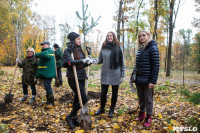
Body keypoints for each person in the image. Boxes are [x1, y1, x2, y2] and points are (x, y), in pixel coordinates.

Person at [130, 30, 159, 127]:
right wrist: (133, 76)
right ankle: (142, 114)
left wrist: (152, 81)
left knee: (148, 99)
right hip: (139, 79)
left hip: (148, 80)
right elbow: (137, 65)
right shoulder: (140, 48)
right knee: (141, 98)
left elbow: (156, 66)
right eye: (140, 36)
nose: (141, 37)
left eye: (144, 35)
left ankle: (149, 117)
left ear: (148, 36)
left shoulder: (153, 47)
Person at [63, 32, 91, 129]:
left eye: (80, 39)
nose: (80, 40)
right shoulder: (68, 51)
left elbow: (82, 65)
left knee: (77, 99)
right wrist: (83, 61)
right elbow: (69, 62)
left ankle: (74, 117)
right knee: (83, 99)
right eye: (78, 39)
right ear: (73, 40)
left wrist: (88, 62)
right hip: (73, 78)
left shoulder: (80, 51)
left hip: (81, 77)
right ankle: (70, 116)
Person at [95, 31, 125, 118]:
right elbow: (100, 59)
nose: (109, 37)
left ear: (114, 37)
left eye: (111, 35)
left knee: (114, 93)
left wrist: (122, 74)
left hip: (115, 73)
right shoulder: (103, 47)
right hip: (105, 73)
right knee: (103, 93)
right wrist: (93, 60)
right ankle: (102, 109)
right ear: (106, 37)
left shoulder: (119, 47)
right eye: (108, 36)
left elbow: (122, 62)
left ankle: (111, 110)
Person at [35, 41, 56, 106]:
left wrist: (35, 54)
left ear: (48, 45)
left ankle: (51, 101)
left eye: (44, 45)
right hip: (46, 73)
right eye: (42, 45)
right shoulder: (46, 52)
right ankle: (48, 100)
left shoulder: (49, 51)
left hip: (48, 74)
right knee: (46, 87)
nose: (43, 46)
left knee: (47, 87)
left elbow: (45, 55)